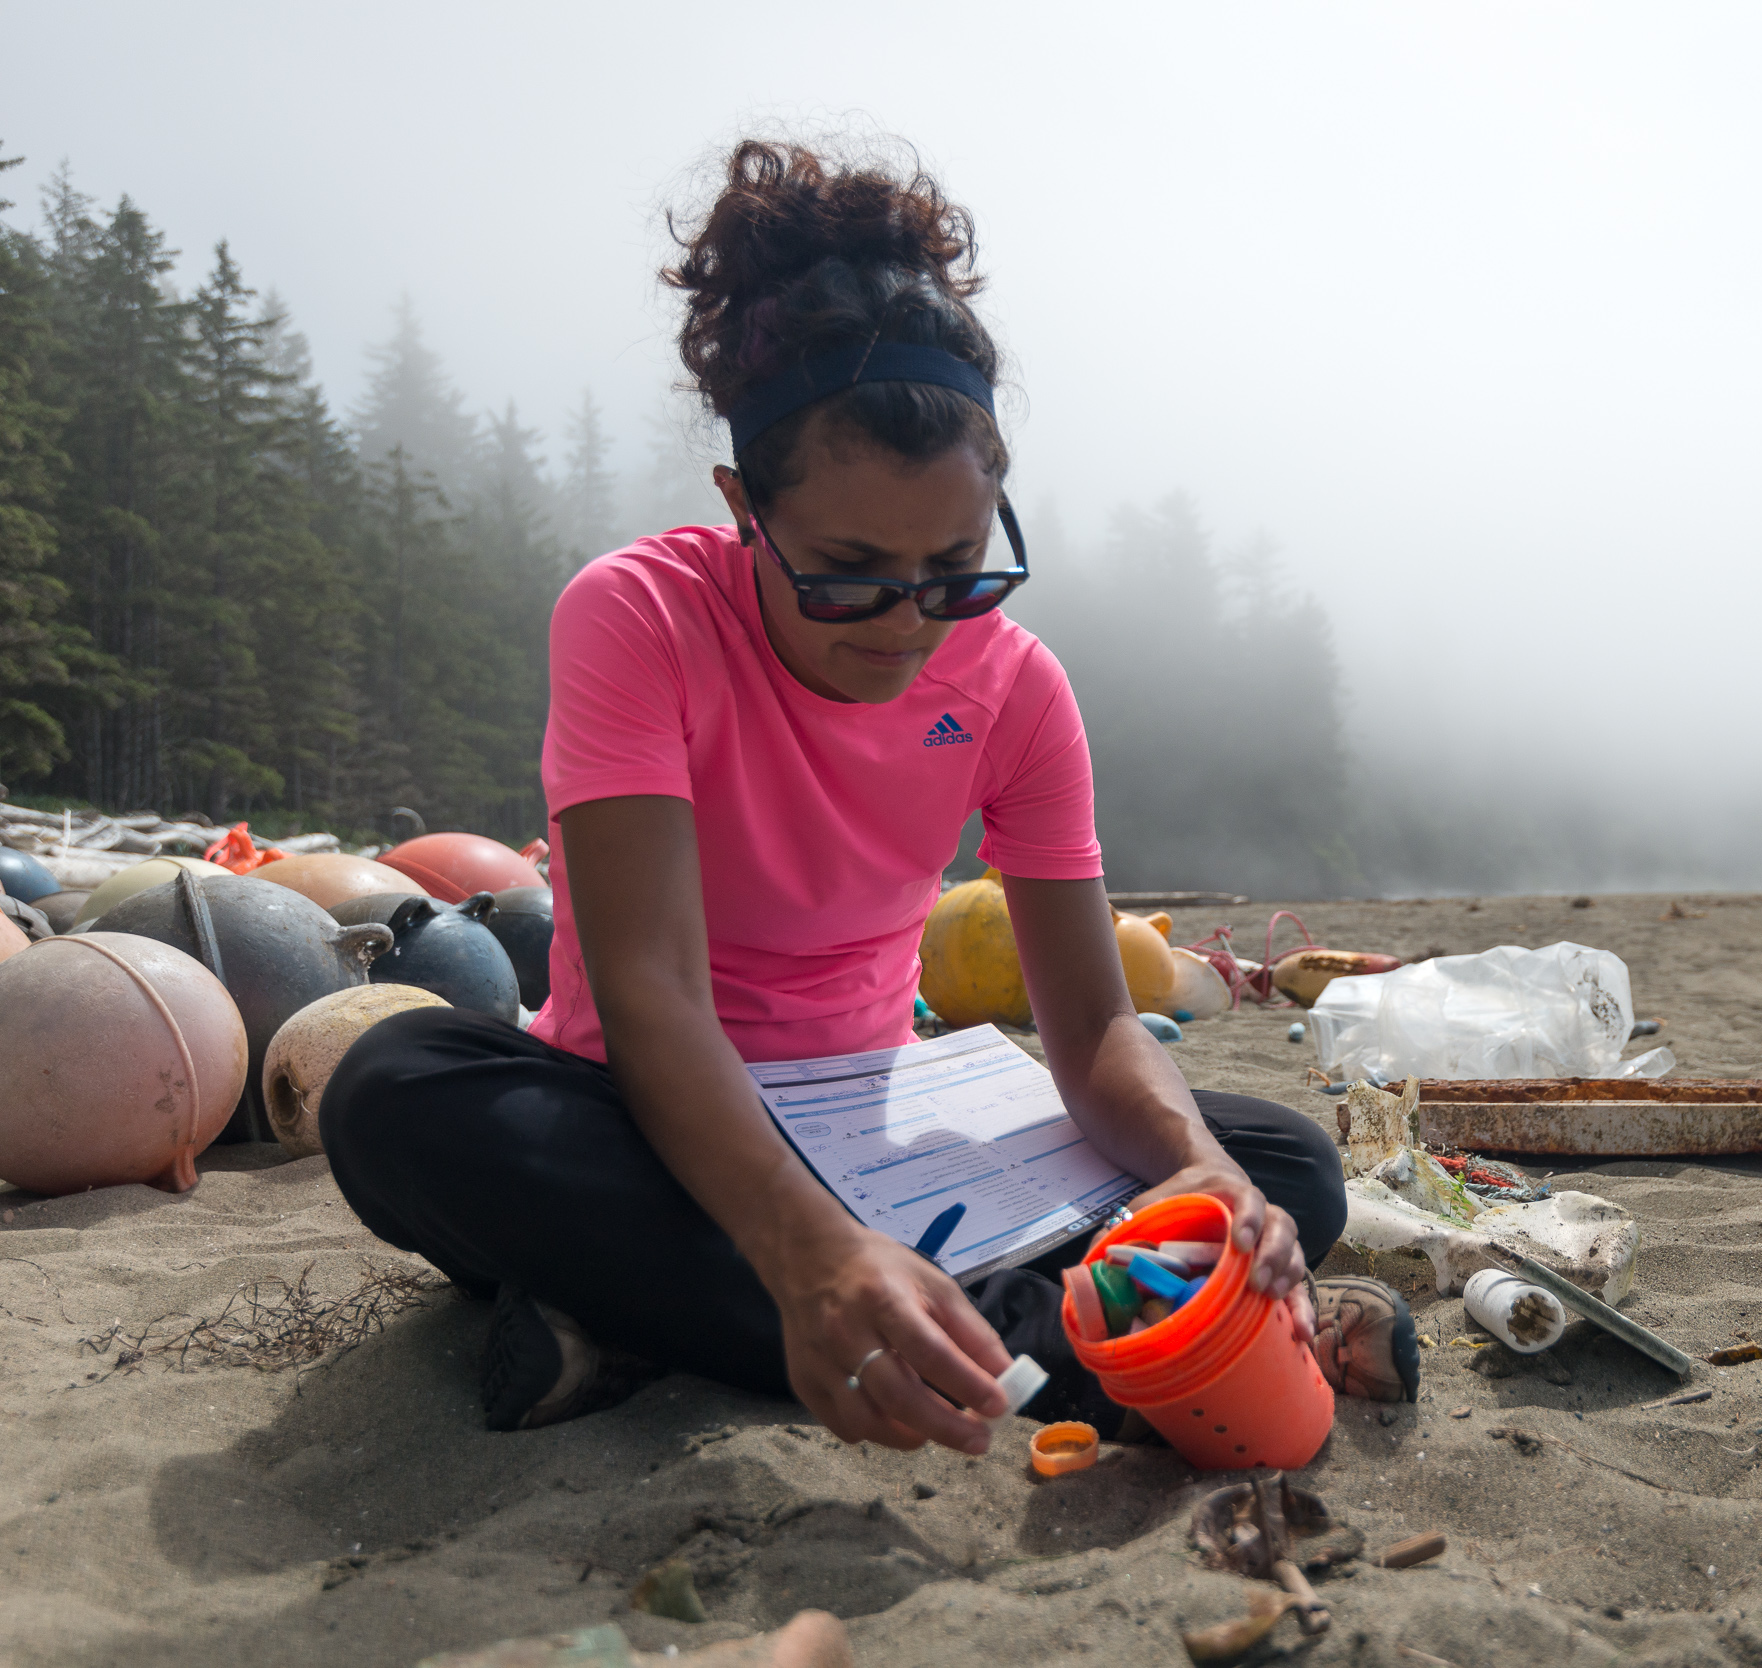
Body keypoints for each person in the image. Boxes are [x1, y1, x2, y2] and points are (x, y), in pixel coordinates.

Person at [321, 139, 1417, 1450]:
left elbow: (1093, 1031)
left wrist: (1209, 1179)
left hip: (889, 1122)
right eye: (847, 573)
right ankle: (1020, 1335)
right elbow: (653, 997)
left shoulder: (1016, 690)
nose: (906, 623)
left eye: (954, 569)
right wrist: (811, 1252)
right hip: (650, 1112)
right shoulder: (636, 620)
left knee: (1283, 1163)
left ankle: (660, 1324)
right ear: (743, 507)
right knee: (394, 1093)